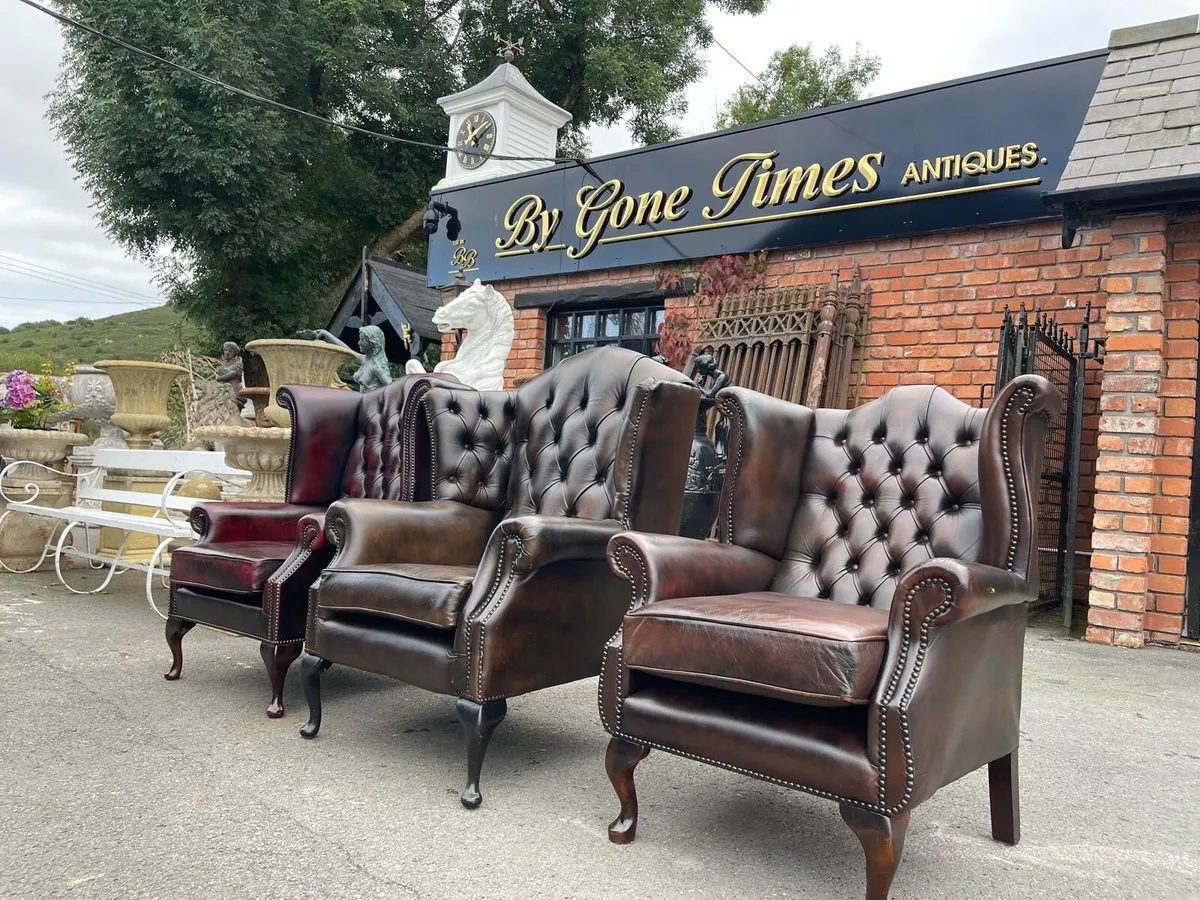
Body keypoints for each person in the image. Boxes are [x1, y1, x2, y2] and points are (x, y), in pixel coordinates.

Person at [296, 325, 392, 391]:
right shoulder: (365, 360)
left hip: (370, 411)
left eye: (362, 340)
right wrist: (325, 333)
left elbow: (393, 388)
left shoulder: (376, 368)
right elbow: (346, 350)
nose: (359, 343)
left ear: (372, 343)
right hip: (362, 405)